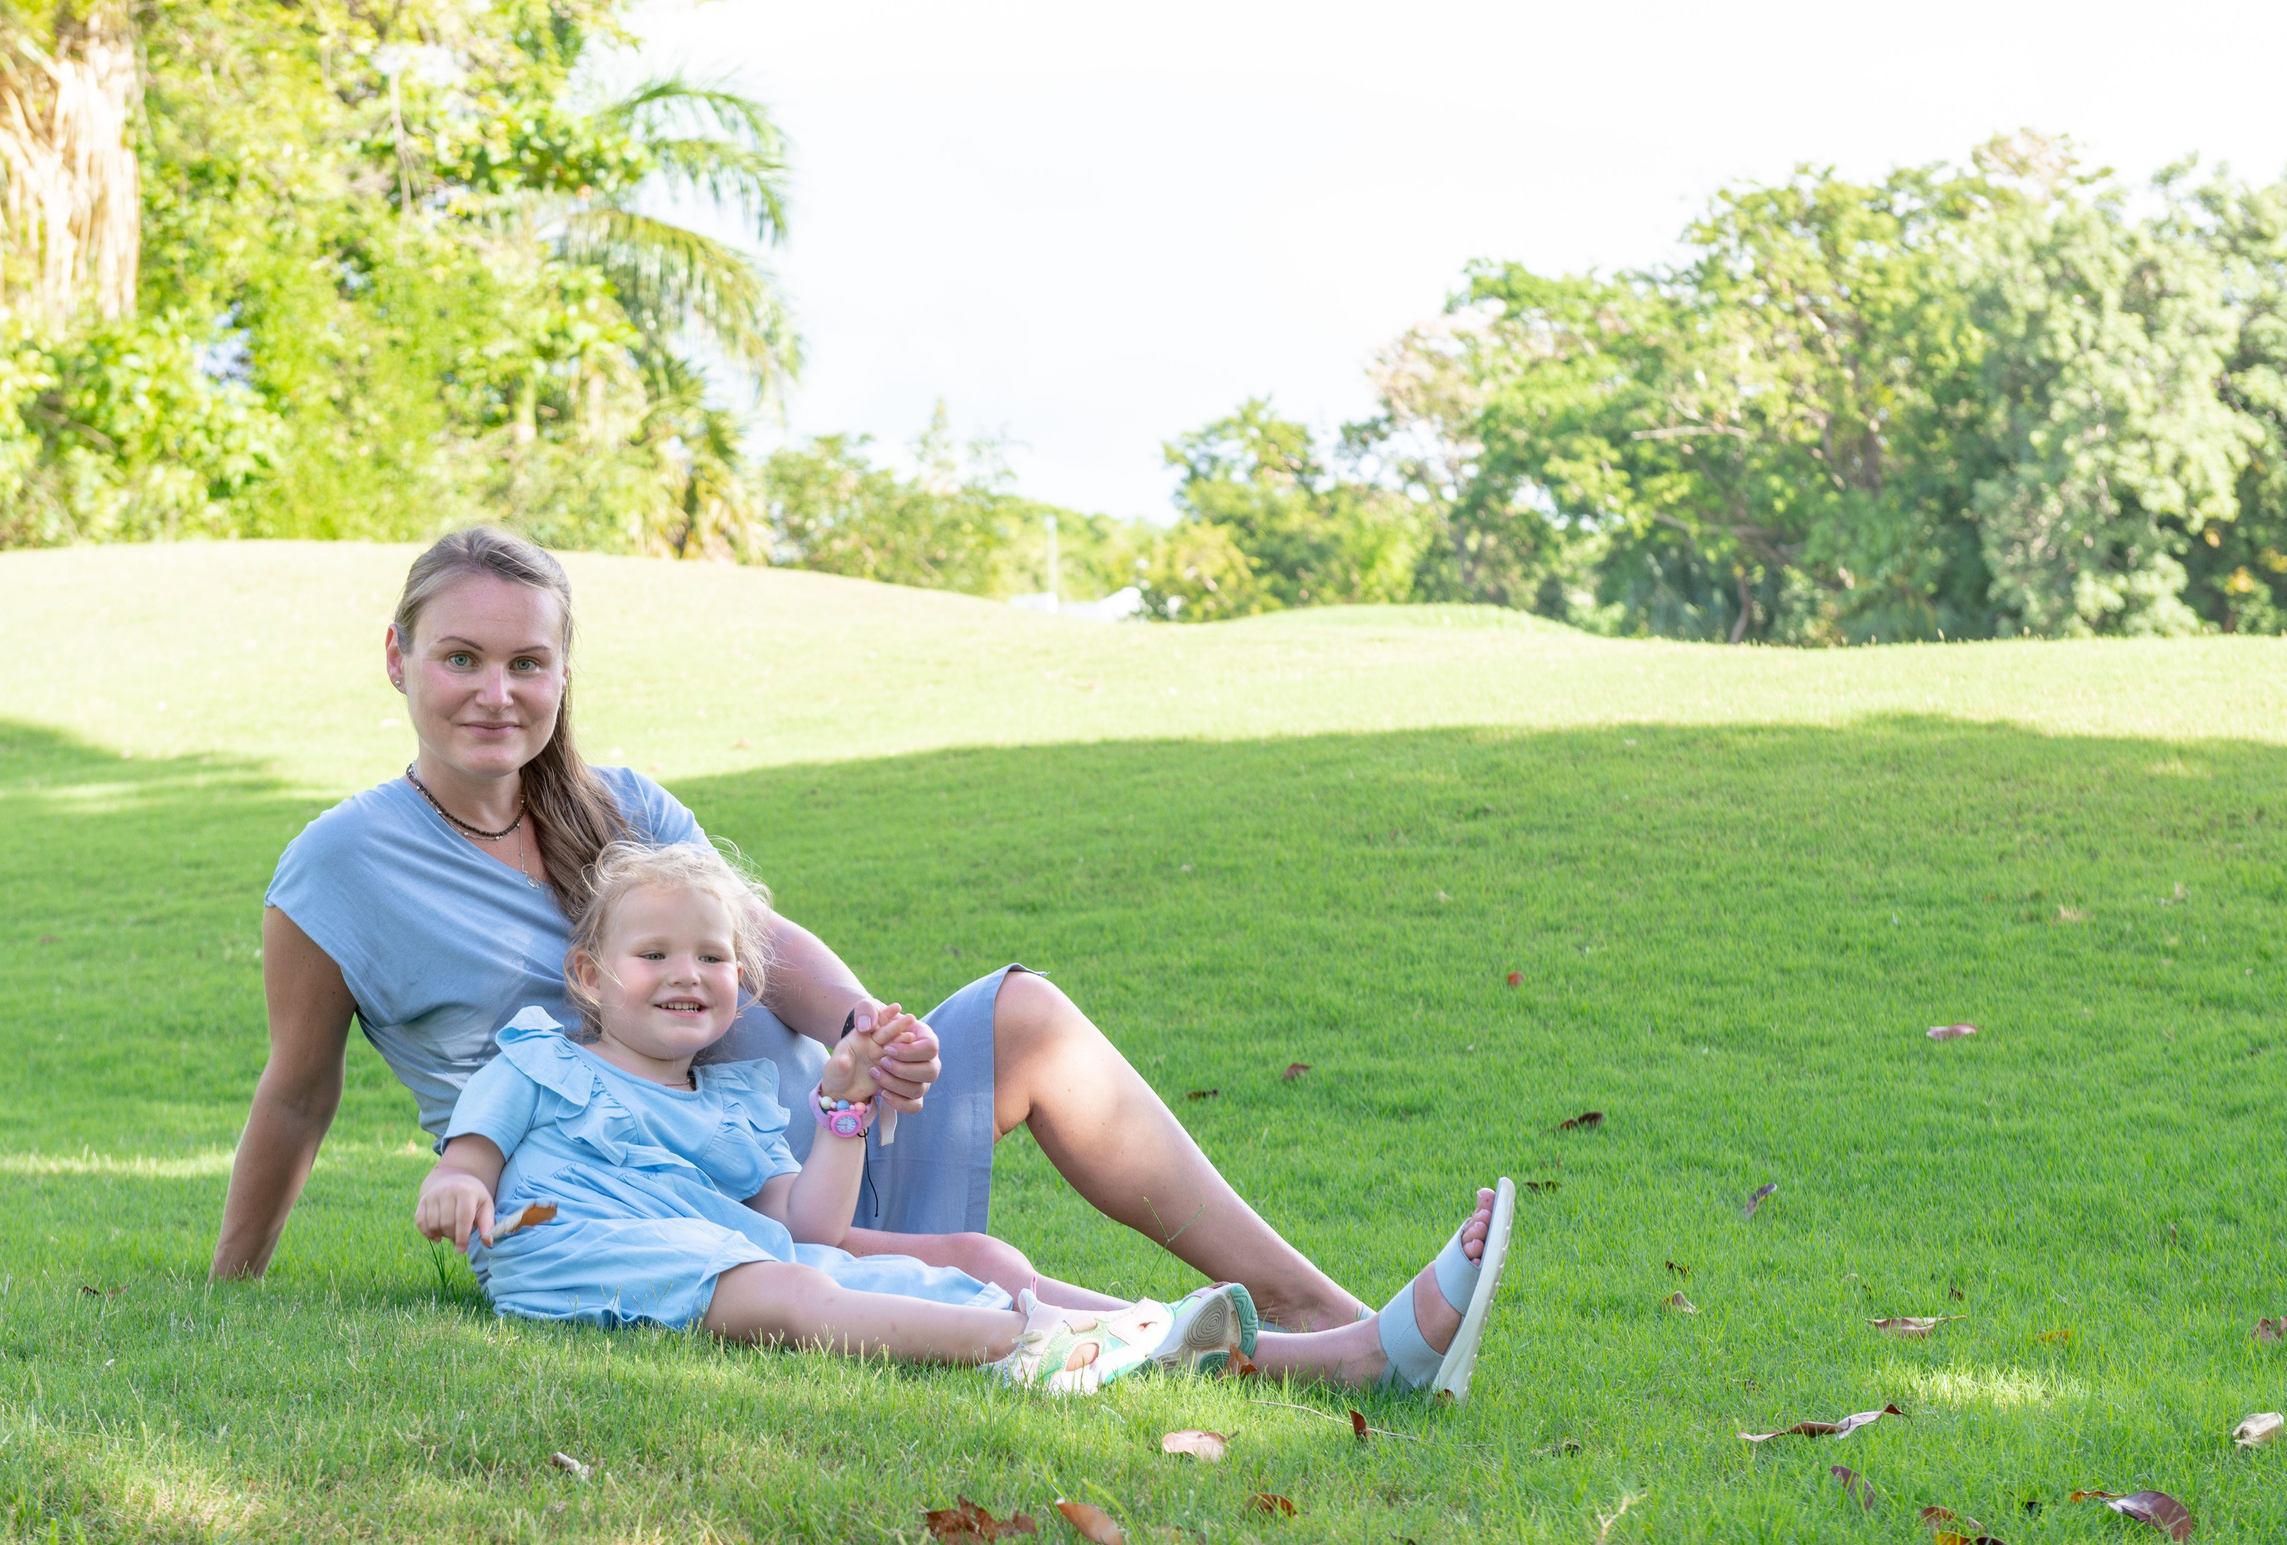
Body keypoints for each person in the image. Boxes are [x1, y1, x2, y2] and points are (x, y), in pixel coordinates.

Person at [209, 526, 1508, 1379]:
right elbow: (296, 1090)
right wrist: (231, 1291)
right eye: (461, 659)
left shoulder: (624, 807)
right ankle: (1337, 1355)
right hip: (700, 1210)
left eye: (527, 662)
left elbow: (763, 939)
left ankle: (1317, 1311)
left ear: (562, 672)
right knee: (993, 1294)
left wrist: (857, 1035)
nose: (497, 692)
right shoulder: (344, 868)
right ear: (398, 661)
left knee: (1029, 1014)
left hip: (824, 1152)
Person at [413, 839, 1510, 1393]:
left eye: (714, 958)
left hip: (720, 1254)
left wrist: (839, 1114)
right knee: (798, 1291)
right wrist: (459, 1180)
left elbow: (814, 1224)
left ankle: (1320, 1351)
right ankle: (1039, 1347)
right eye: (654, 955)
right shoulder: (541, 1056)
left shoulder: (740, 1100)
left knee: (970, 1251)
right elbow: (472, 1150)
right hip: (579, 1253)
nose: (687, 975)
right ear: (589, 977)